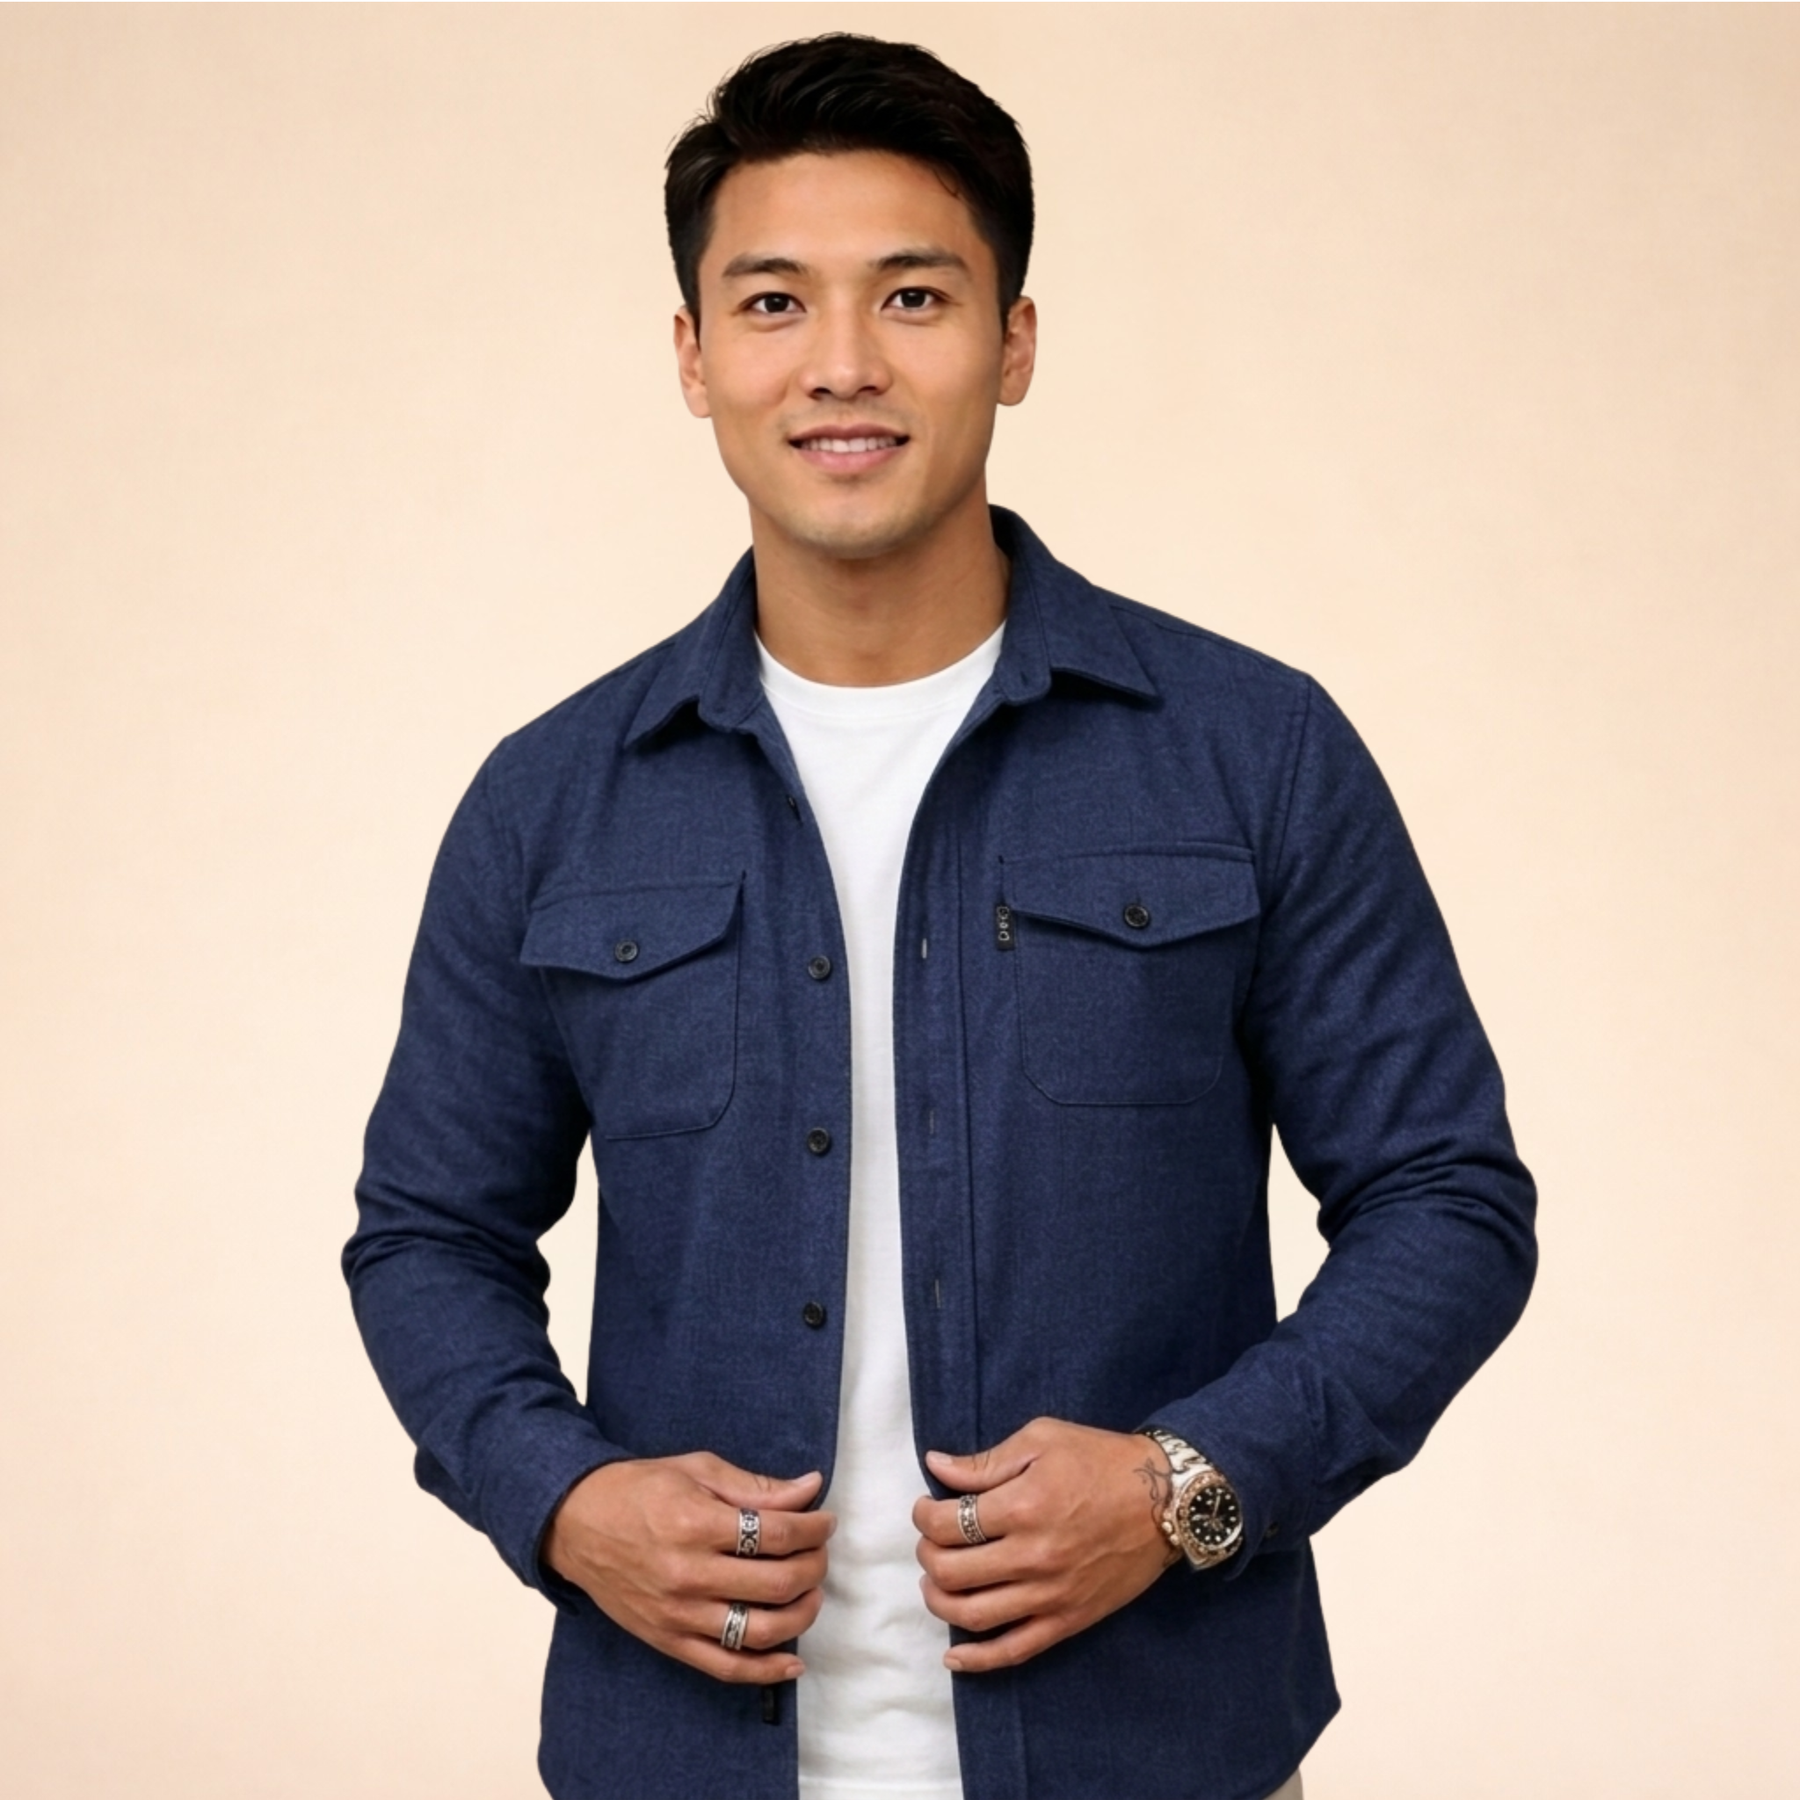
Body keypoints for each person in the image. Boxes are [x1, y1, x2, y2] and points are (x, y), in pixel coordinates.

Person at [344, 33, 1536, 1800]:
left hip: (1161, 1754)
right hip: (681, 1757)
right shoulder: (554, 802)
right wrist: (566, 1501)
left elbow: (1447, 1200)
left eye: (913, 295)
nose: (843, 362)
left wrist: (1188, 1485)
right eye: (772, 303)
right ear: (692, 357)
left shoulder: (1250, 753)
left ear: (1015, 341)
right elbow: (427, 1234)